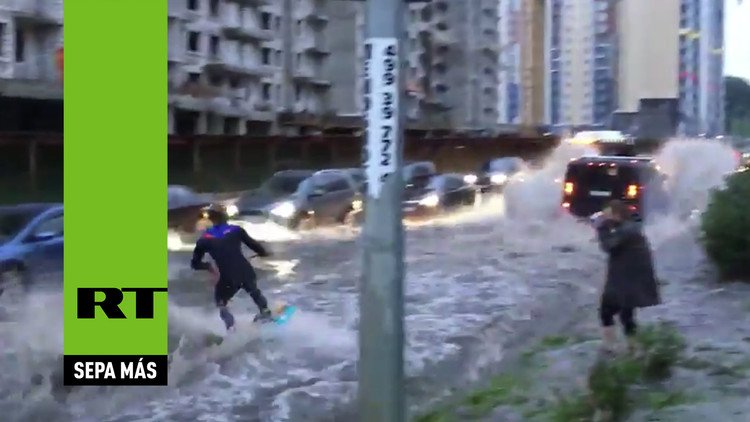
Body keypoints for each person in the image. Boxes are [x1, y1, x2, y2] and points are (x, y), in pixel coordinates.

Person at [190, 203, 273, 330]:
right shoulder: (236, 230)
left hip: (226, 276)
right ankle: (265, 311)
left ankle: (231, 328)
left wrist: (208, 267)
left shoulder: (204, 239)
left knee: (221, 303)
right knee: (253, 290)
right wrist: (264, 253)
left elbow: (195, 264)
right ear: (225, 216)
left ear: (210, 219)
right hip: (245, 270)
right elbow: (255, 245)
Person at [594, 200, 661, 356]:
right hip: (632, 280)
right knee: (626, 314)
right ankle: (634, 349)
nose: (605, 218)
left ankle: (611, 348)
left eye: (607, 215)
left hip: (625, 281)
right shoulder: (631, 227)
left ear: (617, 214)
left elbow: (608, 246)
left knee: (606, 311)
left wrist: (602, 229)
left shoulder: (626, 231)